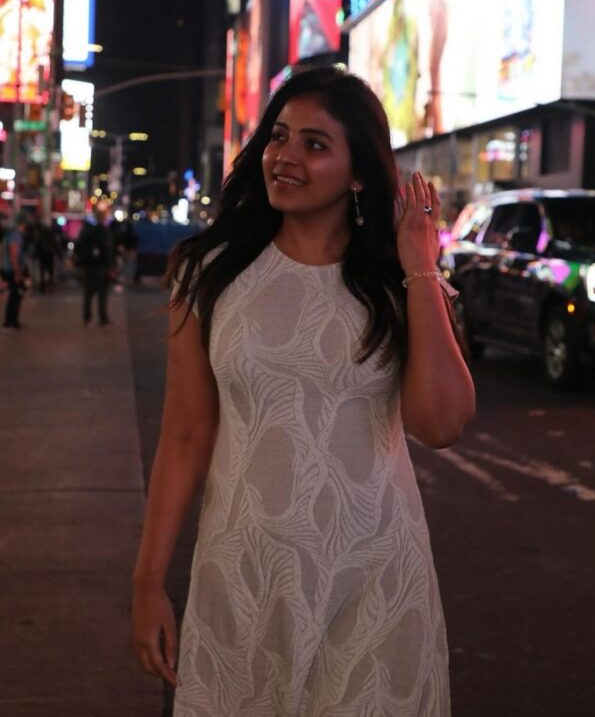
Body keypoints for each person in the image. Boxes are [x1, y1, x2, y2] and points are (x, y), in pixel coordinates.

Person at [132, 66, 475, 716]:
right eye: (279, 137)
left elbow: (441, 422)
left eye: (314, 144)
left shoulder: (394, 283)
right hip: (242, 577)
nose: (285, 155)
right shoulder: (212, 274)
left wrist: (420, 266)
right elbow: (184, 435)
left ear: (357, 173)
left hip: (374, 580)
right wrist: (148, 579)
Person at [74, 203, 115, 325]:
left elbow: (78, 245)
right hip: (101, 266)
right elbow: (107, 249)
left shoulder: (86, 230)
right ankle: (102, 317)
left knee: (88, 293)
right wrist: (110, 264)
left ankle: (87, 317)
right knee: (102, 293)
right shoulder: (104, 231)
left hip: (88, 265)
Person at [2, 212, 29, 330]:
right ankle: (11, 321)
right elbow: (14, 255)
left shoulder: (10, 234)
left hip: (8, 268)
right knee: (16, 294)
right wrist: (18, 272)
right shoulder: (16, 236)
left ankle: (11, 321)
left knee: (15, 294)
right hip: (12, 269)